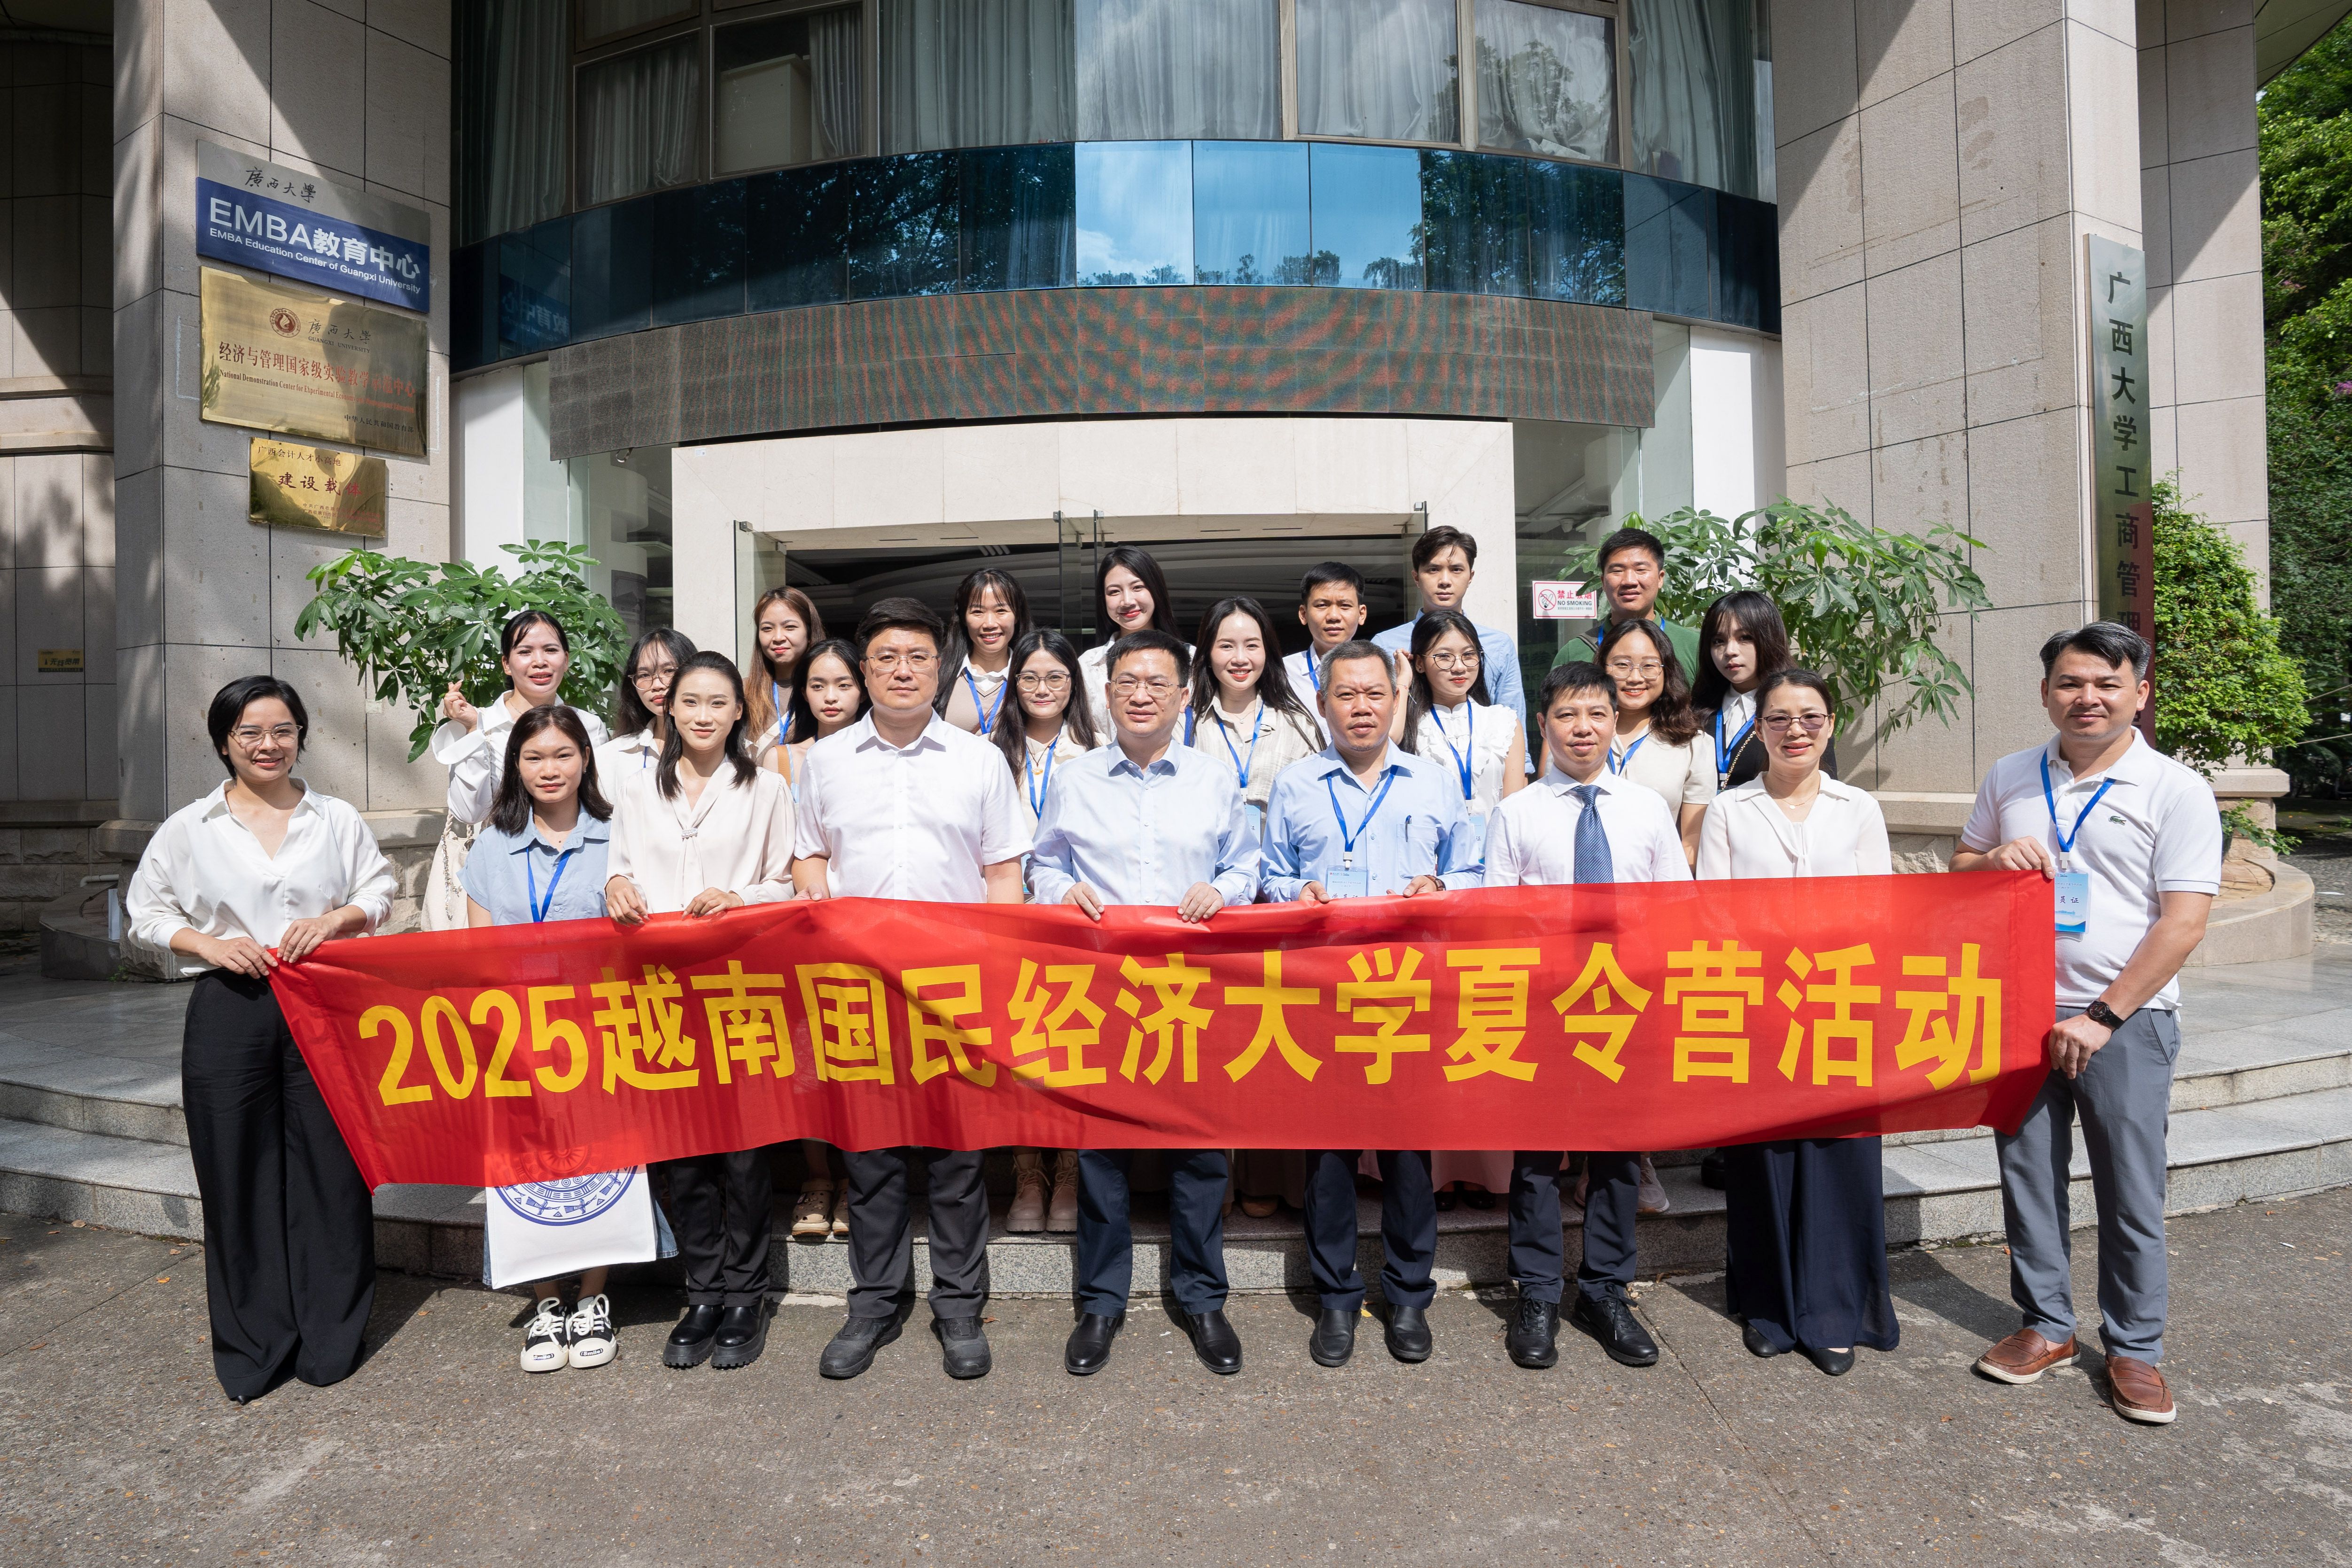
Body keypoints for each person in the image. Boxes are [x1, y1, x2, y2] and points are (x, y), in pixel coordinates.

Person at [1952, 623, 2220, 1427]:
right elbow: (1960, 869)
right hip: (2017, 1013)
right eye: (2070, 683)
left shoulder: (2175, 788)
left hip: (2124, 1022)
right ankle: (2046, 1325)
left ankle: (2134, 1347)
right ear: (2045, 693)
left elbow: (2182, 922)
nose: (2087, 698)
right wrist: (1990, 862)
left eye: (2107, 683)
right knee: (2027, 1178)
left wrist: (2101, 1015)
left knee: (2129, 1188)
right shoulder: (2011, 773)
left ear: (2140, 692)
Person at [125, 675, 396, 1403]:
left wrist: (335, 920)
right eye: (250, 732)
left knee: (331, 1168)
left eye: (282, 730)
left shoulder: (335, 818)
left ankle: (331, 1334)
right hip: (231, 1005)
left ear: (301, 735)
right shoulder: (192, 825)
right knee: (235, 1169)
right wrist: (209, 945)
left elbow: (378, 891)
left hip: (323, 1003)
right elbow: (146, 912)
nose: (268, 744)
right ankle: (255, 1342)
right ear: (224, 742)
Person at [794, 597, 1029, 1382]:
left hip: (954, 986)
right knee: (870, 1156)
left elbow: (1003, 872)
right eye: (887, 657)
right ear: (863, 670)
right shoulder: (826, 761)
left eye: (919, 657)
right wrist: (826, 918)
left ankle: (959, 1305)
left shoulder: (978, 760)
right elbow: (808, 856)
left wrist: (996, 976)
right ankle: (875, 1301)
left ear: (941, 669)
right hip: (857, 986)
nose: (903, 670)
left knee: (958, 1159)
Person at [1030, 629, 1259, 1379]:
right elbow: (1042, 865)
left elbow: (1246, 865)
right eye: (1127, 682)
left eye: (1157, 683)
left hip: (1193, 989)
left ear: (1184, 697)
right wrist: (1060, 889)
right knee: (1101, 1153)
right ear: (1106, 693)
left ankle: (1202, 1297)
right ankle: (1101, 1302)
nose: (1140, 695)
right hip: (1101, 987)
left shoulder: (1212, 778)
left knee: (1200, 1151)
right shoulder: (1075, 778)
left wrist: (1220, 890)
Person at [1261, 640, 1480, 1368]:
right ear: (1323, 703)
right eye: (1346, 694)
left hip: (1408, 992)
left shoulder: (1434, 781)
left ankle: (1409, 1294)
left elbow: (1473, 868)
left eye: (1374, 694)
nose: (1361, 707)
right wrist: (1293, 891)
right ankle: (1335, 1295)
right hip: (1321, 994)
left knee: (1408, 1154)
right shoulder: (1295, 783)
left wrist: (1439, 887)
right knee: (1327, 1156)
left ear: (1395, 700)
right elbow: (1268, 873)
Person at [1484, 661, 1690, 1373]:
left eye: (1597, 714)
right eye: (1567, 715)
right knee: (1536, 1161)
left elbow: (1675, 909)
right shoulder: (1515, 812)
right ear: (1542, 725)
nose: (1582, 728)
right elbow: (1498, 923)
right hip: (1544, 1006)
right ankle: (1538, 1293)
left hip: (1626, 1005)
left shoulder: (1645, 809)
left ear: (1614, 726)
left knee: (1617, 1158)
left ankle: (1604, 1290)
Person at [1697, 669, 1896, 1377]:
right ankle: (1768, 1307)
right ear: (1758, 729)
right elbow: (1714, 915)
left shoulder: (1858, 807)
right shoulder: (1729, 809)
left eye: (1809, 717)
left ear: (1830, 724)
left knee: (1840, 1161)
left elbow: (1878, 911)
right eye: (1778, 718)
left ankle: (1835, 1310)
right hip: (1757, 1006)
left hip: (1840, 1003)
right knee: (1762, 1162)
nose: (1794, 731)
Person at [465, 706, 676, 1373]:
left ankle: (592, 1298)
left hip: (599, 1029)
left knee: (603, 1162)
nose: (549, 769)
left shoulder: (619, 836)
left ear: (586, 758)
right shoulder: (490, 845)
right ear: (515, 766)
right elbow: (476, 951)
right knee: (526, 1166)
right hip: (516, 1031)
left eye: (562, 754)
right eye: (533, 757)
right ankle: (546, 1302)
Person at [606, 651, 797, 1374]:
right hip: (660, 991)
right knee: (681, 1154)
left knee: (744, 1153)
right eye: (690, 701)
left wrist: (740, 897)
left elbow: (789, 884)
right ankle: (704, 1290)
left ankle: (746, 1295)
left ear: (738, 711)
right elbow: (618, 867)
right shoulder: (636, 789)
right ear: (668, 707)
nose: (703, 714)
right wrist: (615, 885)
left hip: (740, 989)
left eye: (719, 702)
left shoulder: (767, 788)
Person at [1392, 609, 1526, 1211]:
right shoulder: (1409, 721)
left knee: (1486, 1019)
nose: (1457, 666)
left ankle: (1484, 1165)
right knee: (1433, 1025)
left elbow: (1515, 802)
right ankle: (1435, 1167)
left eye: (1468, 655)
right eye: (1443, 656)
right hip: (1428, 881)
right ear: (1421, 661)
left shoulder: (1502, 720)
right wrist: (1400, 686)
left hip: (1491, 879)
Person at [990, 626, 1100, 1235]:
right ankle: (1027, 1172)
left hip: (1074, 921)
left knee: (1073, 1047)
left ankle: (1069, 1171)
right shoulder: (987, 751)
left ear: (1073, 684)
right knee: (1020, 1052)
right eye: (1029, 676)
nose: (1041, 687)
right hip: (1006, 920)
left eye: (1055, 676)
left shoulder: (1099, 750)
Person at [761, 634, 869, 1240]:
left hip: (865, 933)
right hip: (799, 927)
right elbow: (781, 849)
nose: (831, 696)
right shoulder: (780, 759)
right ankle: (818, 1175)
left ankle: (858, 1178)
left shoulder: (882, 754)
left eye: (843, 683)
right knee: (808, 1057)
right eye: (817, 684)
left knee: (860, 1055)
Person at [431, 609, 613, 827]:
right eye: (525, 652)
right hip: (502, 846)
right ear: (507, 664)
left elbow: (600, 800)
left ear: (566, 660)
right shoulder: (480, 725)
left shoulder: (589, 725)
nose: (540, 661)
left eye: (551, 650)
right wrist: (472, 731)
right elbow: (469, 814)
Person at [1187, 595, 1324, 850]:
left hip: (1278, 869)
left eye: (1252, 646)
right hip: (1206, 869)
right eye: (1226, 646)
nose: (1240, 658)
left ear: (1267, 651)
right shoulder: (1185, 725)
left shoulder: (1298, 725)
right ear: (1207, 652)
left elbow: (1316, 811)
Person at [1371, 525, 1526, 734]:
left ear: (1470, 577)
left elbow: (1514, 722)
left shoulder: (1498, 644)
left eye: (1456, 570)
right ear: (1416, 577)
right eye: (1433, 570)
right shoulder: (1385, 644)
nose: (1445, 581)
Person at [1693, 591, 1839, 793]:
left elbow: (1824, 789)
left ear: (1769, 638)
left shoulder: (1803, 710)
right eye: (1718, 641)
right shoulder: (1695, 709)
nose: (1730, 651)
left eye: (1745, 638)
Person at [1550, 527, 1704, 676]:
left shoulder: (1694, 647)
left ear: (1660, 579)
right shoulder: (1574, 652)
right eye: (1617, 571)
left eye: (1641, 570)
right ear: (1603, 582)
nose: (1629, 581)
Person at [1077, 546, 1188, 731]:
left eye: (1138, 588)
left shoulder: (1192, 659)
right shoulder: (1088, 664)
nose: (1127, 601)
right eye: (1114, 592)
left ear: (1156, 590)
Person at [597, 628, 696, 781]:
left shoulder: (728, 750)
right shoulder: (611, 757)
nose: (657, 685)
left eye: (668, 671)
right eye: (644, 675)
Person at [940, 567, 1030, 735]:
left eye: (1001, 611)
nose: (990, 624)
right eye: (978, 612)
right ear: (963, 618)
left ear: (1017, 615)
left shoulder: (1034, 675)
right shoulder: (938, 675)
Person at [742, 585, 825, 755]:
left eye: (790, 627)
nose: (778, 637)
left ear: (810, 632)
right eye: (767, 628)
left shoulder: (829, 692)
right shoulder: (742, 691)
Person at [1281, 562, 1370, 716]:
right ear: (1304, 614)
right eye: (1322, 605)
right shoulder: (1282, 673)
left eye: (1344, 605)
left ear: (1361, 614)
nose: (1333, 616)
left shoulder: (1378, 671)